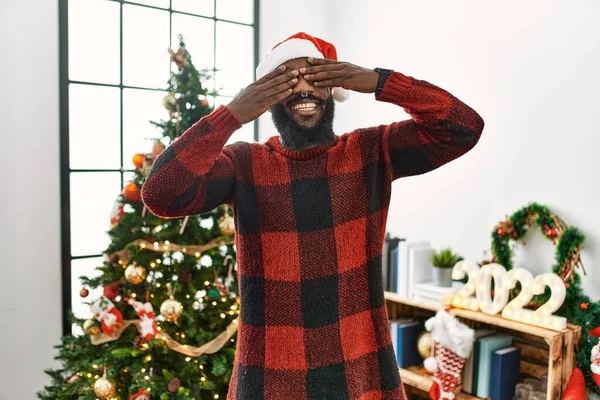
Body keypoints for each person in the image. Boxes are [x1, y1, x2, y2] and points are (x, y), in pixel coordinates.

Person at [141, 31, 485, 400]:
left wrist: (381, 81)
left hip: (361, 368)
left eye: (315, 75)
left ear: (333, 85)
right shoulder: (244, 163)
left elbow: (463, 128)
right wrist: (230, 116)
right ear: (266, 96)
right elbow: (161, 194)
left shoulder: (369, 151)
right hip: (270, 375)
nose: (303, 87)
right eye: (286, 79)